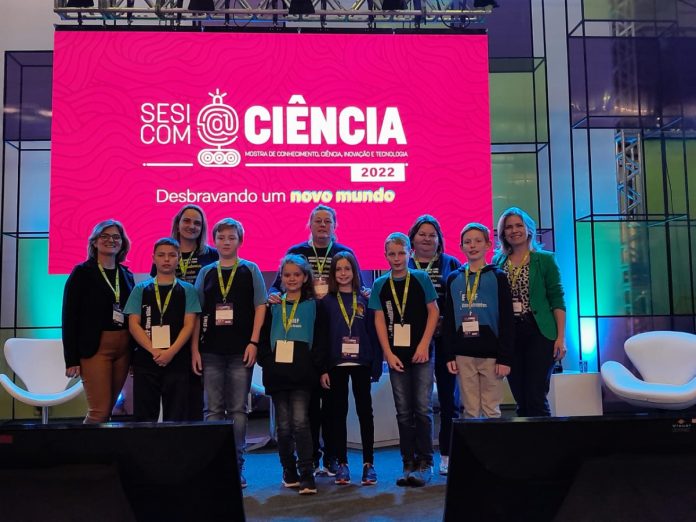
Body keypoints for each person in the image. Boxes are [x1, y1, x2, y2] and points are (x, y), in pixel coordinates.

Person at [268, 205, 361, 477]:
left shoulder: (343, 252)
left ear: (335, 225)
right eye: (317, 221)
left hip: (335, 335)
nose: (322, 225)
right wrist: (273, 295)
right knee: (307, 408)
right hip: (305, 333)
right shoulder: (296, 252)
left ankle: (332, 458)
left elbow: (355, 285)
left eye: (327, 221)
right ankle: (312, 458)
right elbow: (278, 285)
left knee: (332, 404)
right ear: (309, 224)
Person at [192, 218, 267, 489]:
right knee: (212, 410)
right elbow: (196, 312)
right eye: (221, 237)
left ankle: (236, 466)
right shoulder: (206, 272)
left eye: (231, 237)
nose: (226, 242)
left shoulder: (250, 269)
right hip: (210, 350)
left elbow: (260, 306)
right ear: (214, 240)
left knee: (237, 410)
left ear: (240, 241)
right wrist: (195, 349)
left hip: (240, 351)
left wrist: (254, 342)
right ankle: (215, 465)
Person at [369, 232, 439, 488]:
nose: (397, 258)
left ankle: (426, 462)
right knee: (403, 411)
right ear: (385, 256)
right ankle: (408, 462)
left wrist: (424, 344)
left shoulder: (421, 278)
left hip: (421, 353)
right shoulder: (380, 284)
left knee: (422, 408)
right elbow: (379, 320)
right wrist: (387, 353)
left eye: (401, 253)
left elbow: (434, 312)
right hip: (396, 356)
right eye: (392, 254)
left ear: (410, 253)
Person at [493, 207, 566, 417]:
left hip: (539, 332)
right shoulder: (498, 262)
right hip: (510, 334)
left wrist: (560, 338)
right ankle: (526, 438)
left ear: (529, 229)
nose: (514, 230)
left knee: (536, 396)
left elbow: (557, 299)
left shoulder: (545, 259)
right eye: (509, 227)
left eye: (519, 225)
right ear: (503, 233)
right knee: (520, 397)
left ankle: (544, 439)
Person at [258, 255, 321, 495]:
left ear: (305, 278)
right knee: (283, 427)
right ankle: (289, 470)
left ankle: (307, 473)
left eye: (296, 275)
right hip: (277, 375)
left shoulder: (314, 305)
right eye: (287, 275)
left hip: (302, 375)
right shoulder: (272, 305)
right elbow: (263, 339)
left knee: (300, 423)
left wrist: (315, 366)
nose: (292, 279)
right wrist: (267, 362)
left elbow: (320, 340)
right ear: (281, 278)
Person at [317, 252, 381, 486]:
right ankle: (342, 462)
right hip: (336, 364)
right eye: (338, 269)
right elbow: (321, 338)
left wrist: (376, 364)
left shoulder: (365, 299)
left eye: (347, 269)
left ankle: (368, 463)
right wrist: (323, 368)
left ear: (355, 271)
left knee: (365, 412)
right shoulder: (326, 302)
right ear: (333, 274)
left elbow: (374, 333)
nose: (343, 273)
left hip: (362, 362)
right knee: (338, 414)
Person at [62, 220, 135, 423]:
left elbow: (132, 315)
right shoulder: (82, 273)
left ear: (122, 243)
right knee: (99, 412)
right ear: (94, 242)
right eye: (105, 236)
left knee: (109, 409)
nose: (111, 240)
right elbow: (69, 316)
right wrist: (71, 359)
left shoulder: (126, 275)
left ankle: (102, 445)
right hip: (95, 349)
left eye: (116, 237)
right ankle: (82, 445)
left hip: (124, 351)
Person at [407, 214, 461, 475]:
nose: (427, 239)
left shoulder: (451, 264)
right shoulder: (404, 264)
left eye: (432, 235)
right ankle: (421, 455)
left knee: (449, 400)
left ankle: (447, 454)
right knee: (419, 403)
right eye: (422, 234)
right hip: (415, 342)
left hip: (446, 340)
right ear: (412, 239)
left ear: (439, 240)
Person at [125, 238, 201, 421]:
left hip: (177, 359)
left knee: (176, 415)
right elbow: (133, 324)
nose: (166, 259)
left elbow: (189, 324)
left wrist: (170, 352)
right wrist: (154, 350)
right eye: (161, 255)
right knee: (144, 417)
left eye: (172, 255)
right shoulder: (140, 289)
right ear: (153, 258)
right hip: (146, 359)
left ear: (178, 259)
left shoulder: (188, 290)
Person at [154, 204, 218, 421]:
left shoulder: (212, 255)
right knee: (173, 393)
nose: (192, 226)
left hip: (202, 329)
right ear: (178, 223)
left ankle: (194, 436)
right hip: (170, 328)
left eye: (197, 223)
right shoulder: (166, 252)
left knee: (195, 390)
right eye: (187, 221)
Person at [444, 223, 514, 419]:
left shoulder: (498, 277)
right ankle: (472, 442)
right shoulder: (453, 278)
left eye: (477, 241)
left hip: (492, 355)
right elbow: (449, 320)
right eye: (467, 242)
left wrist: (505, 358)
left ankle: (492, 442)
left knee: (492, 410)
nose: (472, 245)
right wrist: (449, 355)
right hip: (463, 354)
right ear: (461, 247)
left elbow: (507, 319)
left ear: (488, 245)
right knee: (470, 410)